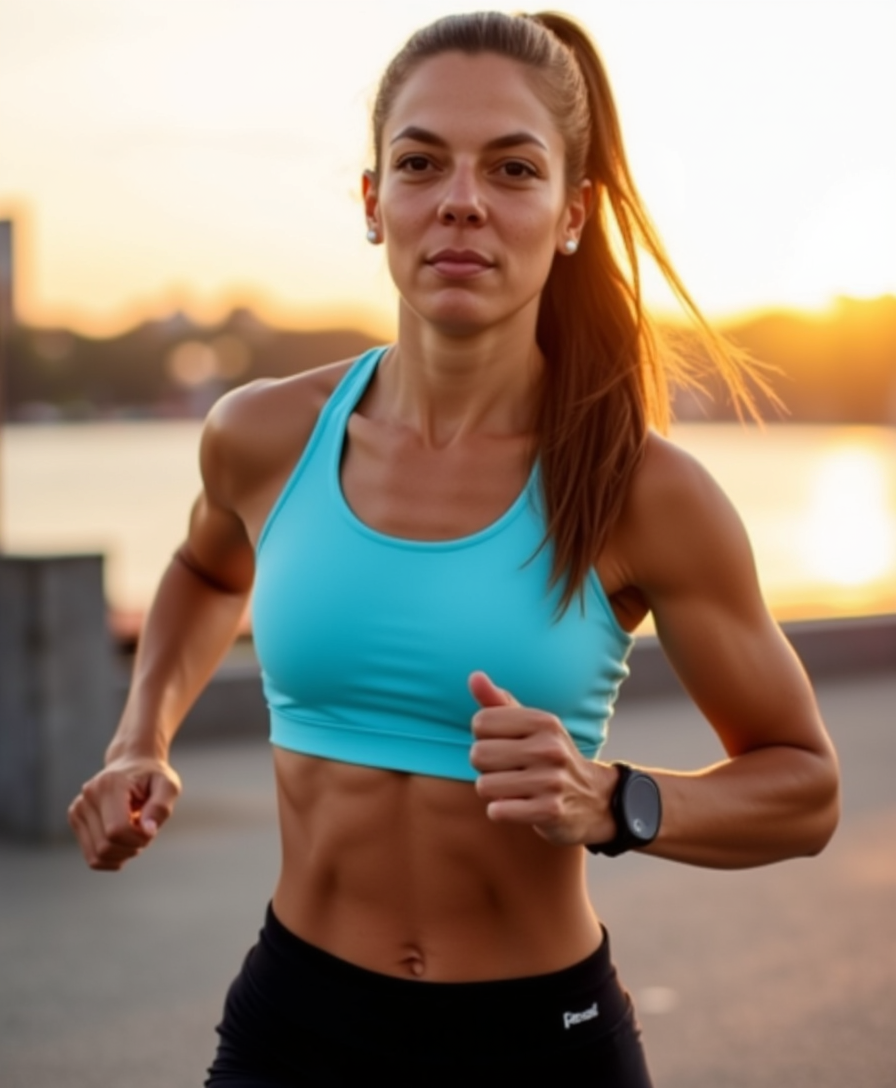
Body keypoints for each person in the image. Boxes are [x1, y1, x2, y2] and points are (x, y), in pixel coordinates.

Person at [68, 11, 840, 1087]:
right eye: (421, 161)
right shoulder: (260, 434)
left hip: (537, 1045)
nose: (460, 199)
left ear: (571, 213)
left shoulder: (642, 489)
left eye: (511, 168)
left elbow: (803, 788)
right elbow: (206, 568)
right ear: (372, 200)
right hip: (293, 1028)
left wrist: (613, 797)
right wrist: (137, 738)